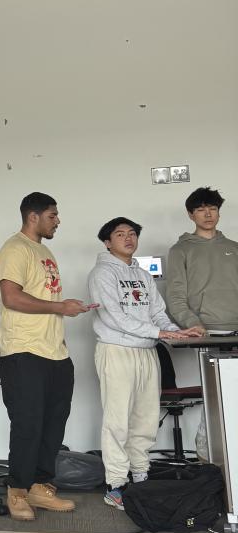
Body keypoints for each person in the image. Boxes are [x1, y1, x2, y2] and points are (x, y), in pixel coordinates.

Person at [88, 218, 202, 509]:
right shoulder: (102, 273)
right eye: (120, 234)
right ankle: (116, 485)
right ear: (107, 242)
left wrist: (176, 332)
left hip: (147, 351)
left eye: (132, 234)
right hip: (117, 350)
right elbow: (115, 318)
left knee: (146, 418)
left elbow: (158, 313)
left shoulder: (142, 274)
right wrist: (160, 333)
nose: (128, 238)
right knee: (118, 421)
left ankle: (140, 476)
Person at [0, 192, 93, 522]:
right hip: (24, 350)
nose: (58, 221)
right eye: (53, 215)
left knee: (53, 423)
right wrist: (60, 306)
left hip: (55, 352)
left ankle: (39, 486)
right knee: (28, 424)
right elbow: (11, 298)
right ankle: (17, 491)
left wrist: (64, 308)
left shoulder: (44, 251)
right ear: (33, 216)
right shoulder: (15, 249)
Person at [165, 187, 238, 333]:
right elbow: (175, 297)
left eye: (213, 209)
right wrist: (194, 324)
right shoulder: (179, 250)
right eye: (200, 210)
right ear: (190, 215)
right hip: (203, 331)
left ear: (219, 213)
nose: (208, 214)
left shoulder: (235, 248)